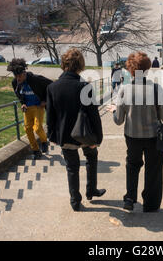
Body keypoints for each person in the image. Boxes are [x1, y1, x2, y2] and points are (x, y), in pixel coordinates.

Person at [108, 52, 163, 212]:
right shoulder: (157, 89)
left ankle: (130, 198)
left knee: (132, 165)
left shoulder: (124, 89)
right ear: (148, 69)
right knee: (153, 169)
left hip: (132, 136)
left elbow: (118, 120)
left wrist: (114, 111)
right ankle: (151, 204)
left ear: (130, 71)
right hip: (153, 137)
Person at [46, 48, 105, 211]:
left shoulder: (52, 87)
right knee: (92, 158)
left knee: (72, 167)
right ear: (80, 66)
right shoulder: (84, 86)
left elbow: (50, 116)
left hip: (65, 134)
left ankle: (75, 200)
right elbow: (94, 115)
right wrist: (98, 139)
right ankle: (91, 190)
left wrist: (51, 135)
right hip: (85, 134)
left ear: (63, 64)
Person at [7, 58, 52, 159]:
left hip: (38, 106)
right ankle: (36, 150)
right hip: (27, 108)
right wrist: (22, 103)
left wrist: (45, 100)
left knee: (37, 128)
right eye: (15, 76)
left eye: (19, 76)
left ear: (24, 73)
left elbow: (51, 85)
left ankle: (44, 141)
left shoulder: (35, 79)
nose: (18, 78)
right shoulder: (15, 82)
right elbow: (18, 94)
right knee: (27, 129)